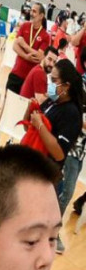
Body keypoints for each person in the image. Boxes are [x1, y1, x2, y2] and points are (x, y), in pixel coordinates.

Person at [24, 60, 84, 254]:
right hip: (31, 168)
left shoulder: (72, 114)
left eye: (54, 80)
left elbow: (58, 153)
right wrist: (31, 110)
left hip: (45, 177)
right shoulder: (53, 101)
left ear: (66, 86)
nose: (49, 83)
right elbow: (29, 127)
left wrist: (40, 125)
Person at [8, 2, 51, 94]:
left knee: (22, 106)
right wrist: (26, 56)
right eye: (31, 11)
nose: (31, 13)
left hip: (29, 79)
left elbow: (39, 56)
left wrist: (24, 45)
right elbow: (15, 46)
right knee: (7, 103)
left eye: (34, 11)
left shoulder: (46, 36)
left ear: (41, 16)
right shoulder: (24, 26)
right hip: (16, 73)